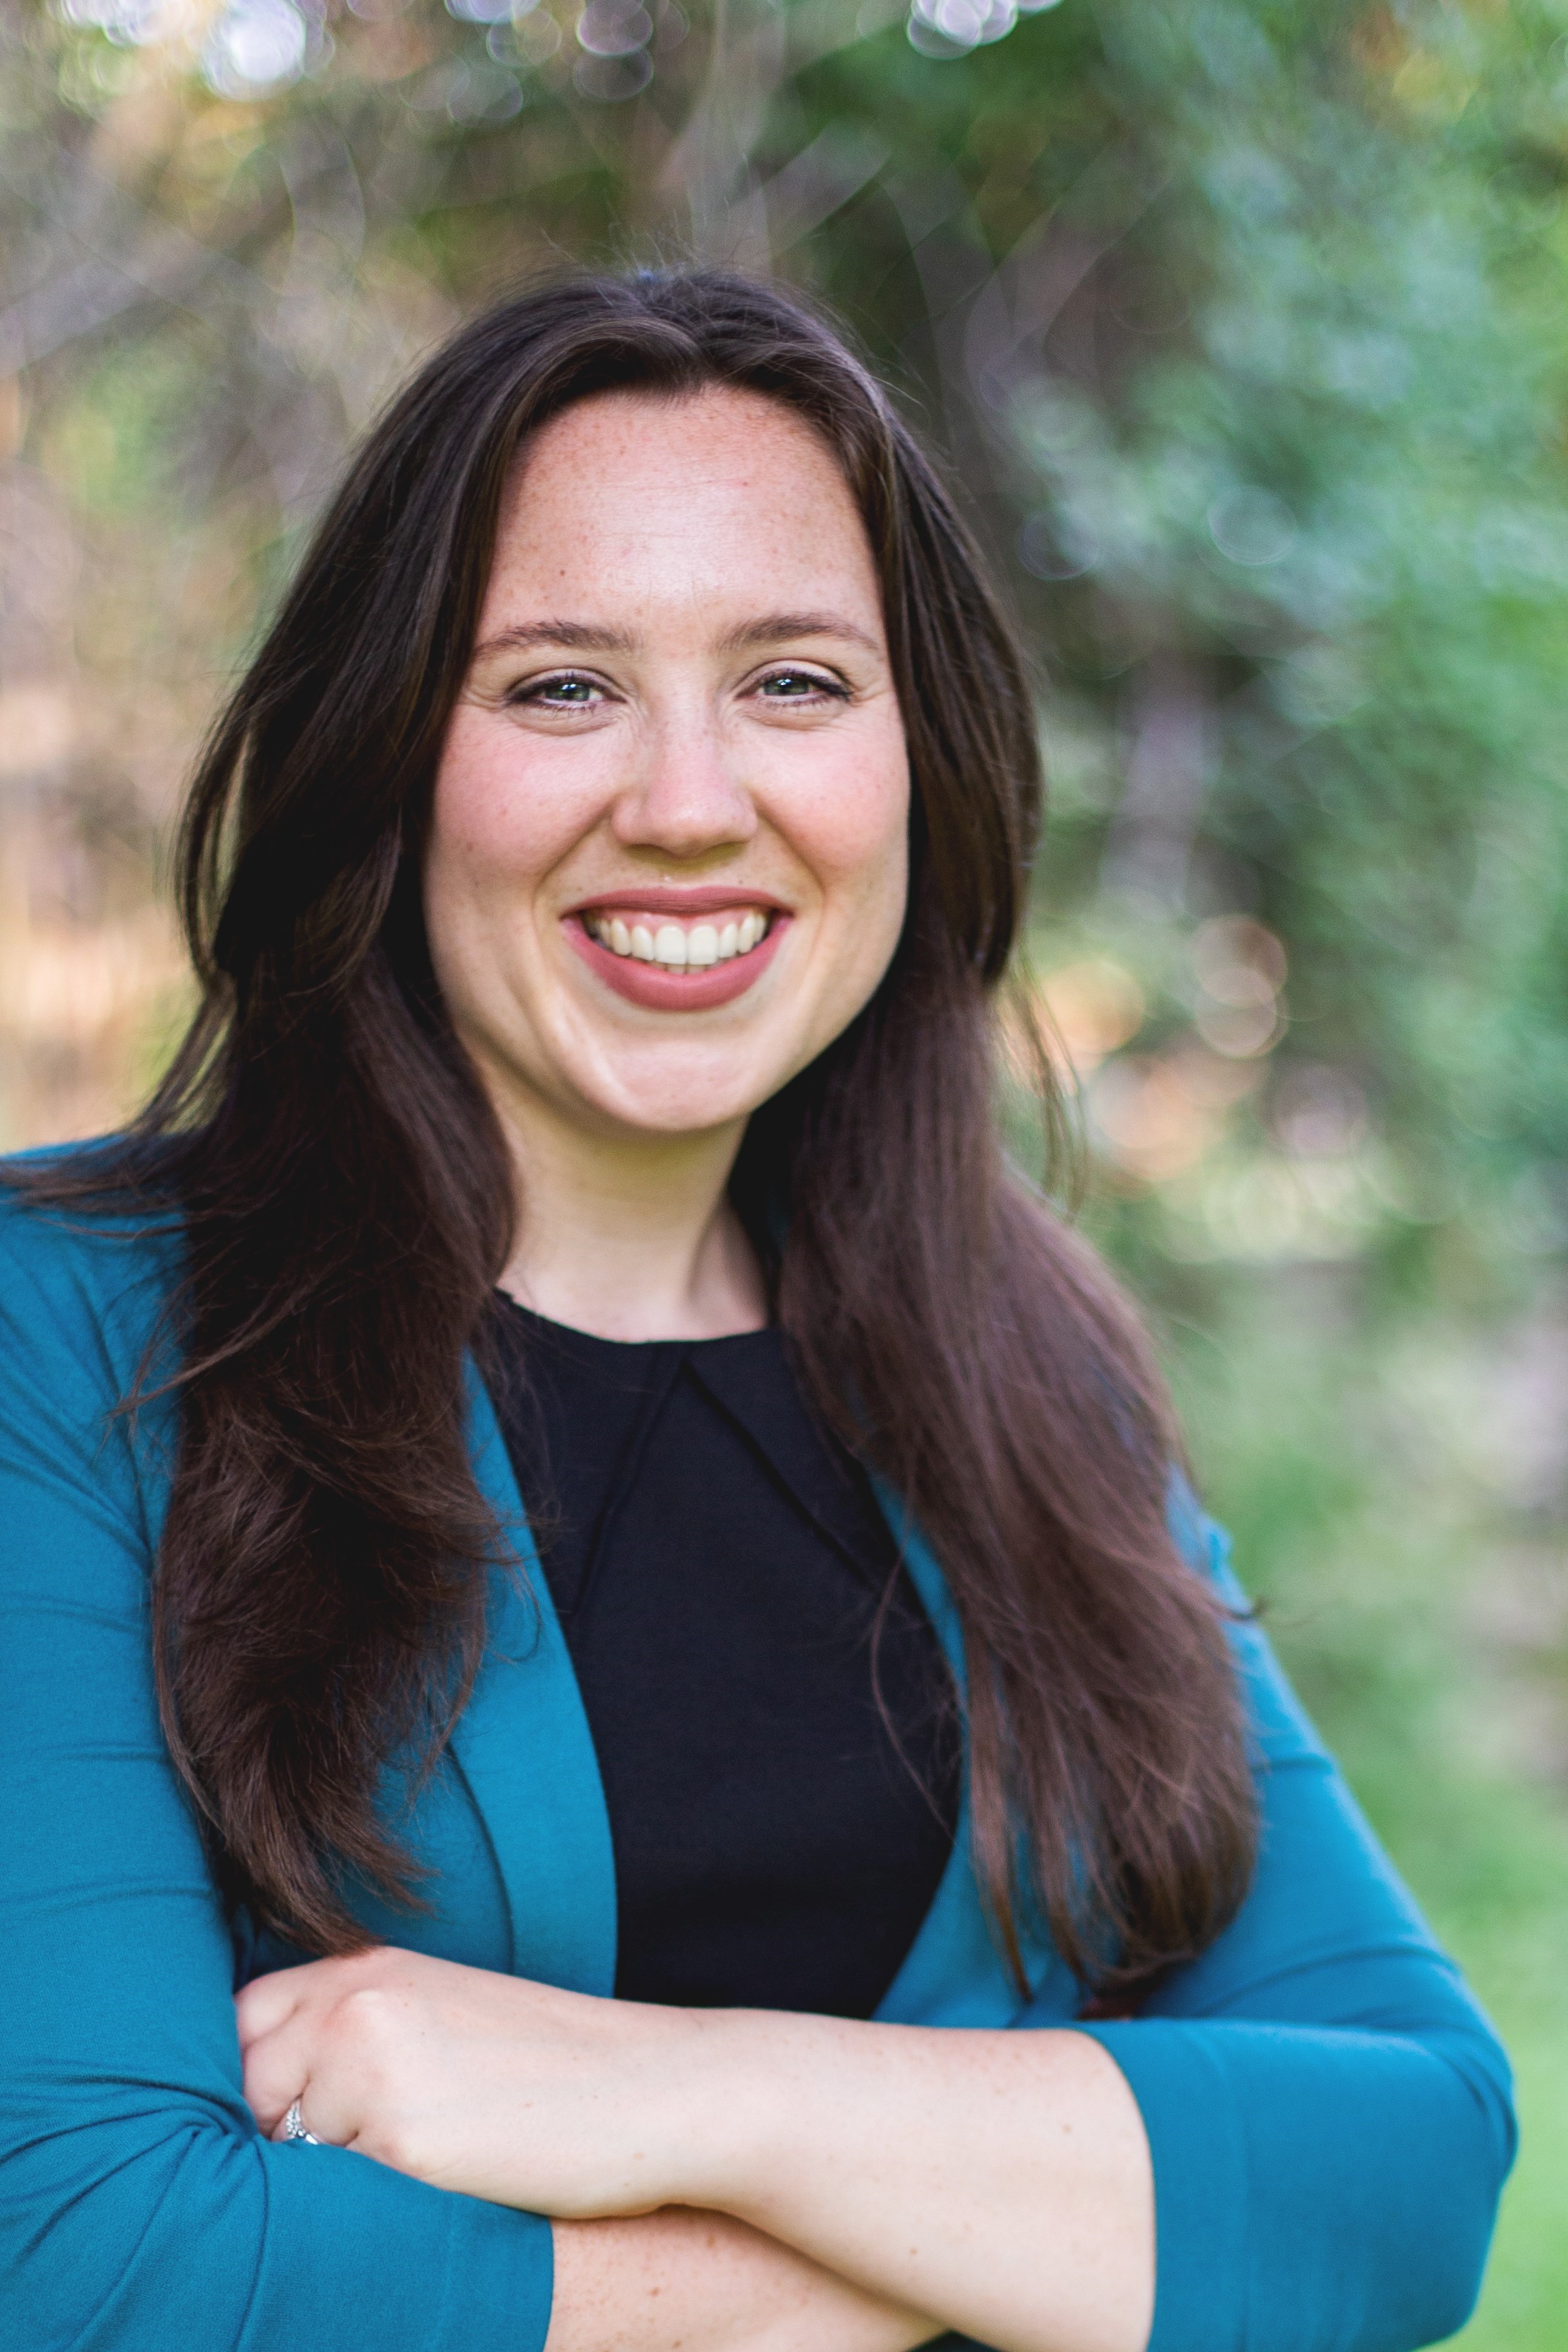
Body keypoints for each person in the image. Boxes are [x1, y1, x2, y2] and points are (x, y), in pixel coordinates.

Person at [0, 269, 1512, 2352]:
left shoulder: (1020, 1367)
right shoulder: (69, 1338)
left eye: (794, 680)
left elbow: (1417, 2165)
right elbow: (90, 2263)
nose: (693, 802)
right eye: (558, 688)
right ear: (387, 753)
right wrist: (978, 2240)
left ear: (921, 762)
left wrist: (654, 2091)